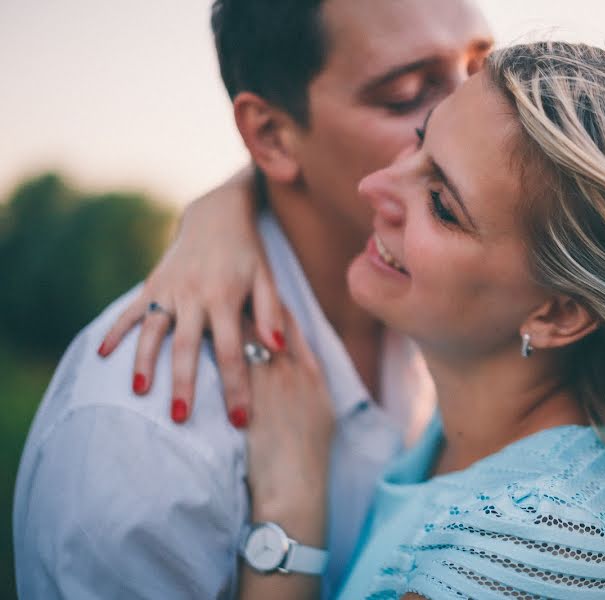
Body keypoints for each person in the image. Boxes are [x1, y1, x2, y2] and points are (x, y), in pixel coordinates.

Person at [106, 43, 605, 598]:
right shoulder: (473, 423)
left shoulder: (545, 540)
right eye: (418, 144)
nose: (380, 185)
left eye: (443, 205)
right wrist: (219, 209)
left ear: (557, 312)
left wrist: (288, 512)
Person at [13, 0, 492, 597]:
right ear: (270, 135)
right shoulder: (141, 435)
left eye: (483, 67)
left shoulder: (479, 301)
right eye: (407, 93)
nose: (471, 116)